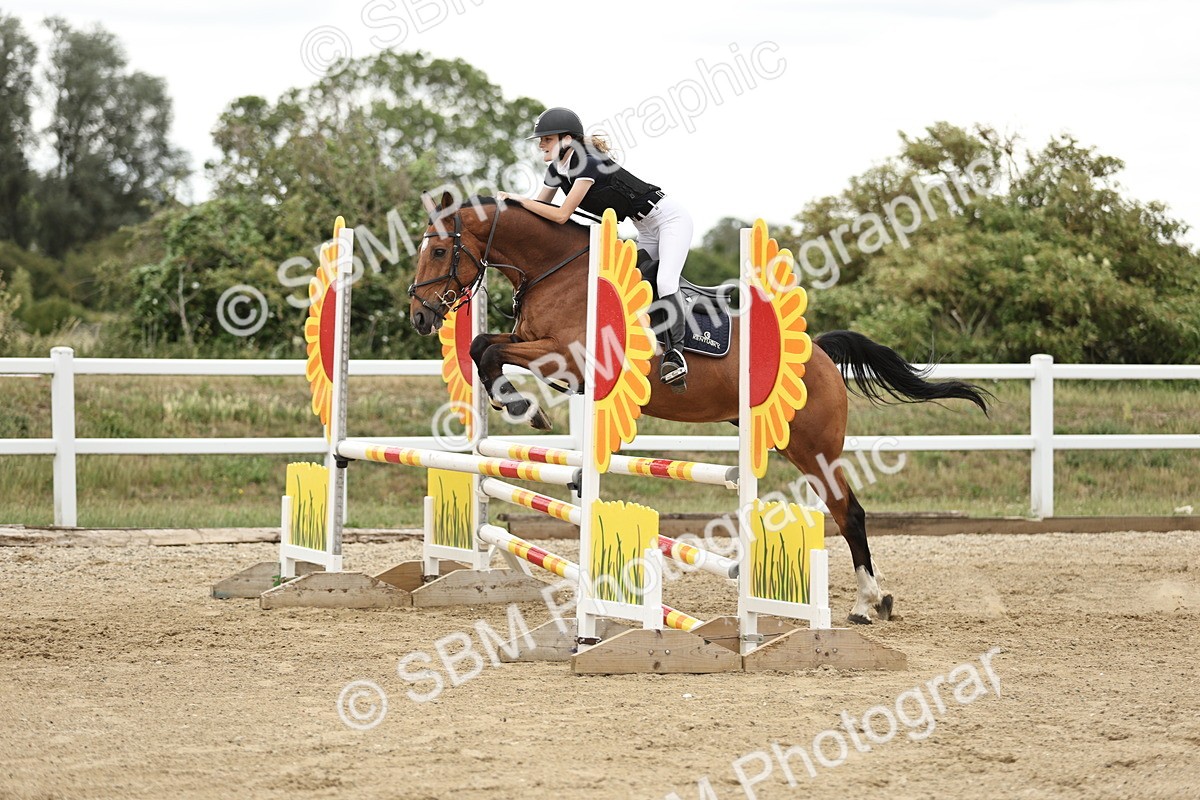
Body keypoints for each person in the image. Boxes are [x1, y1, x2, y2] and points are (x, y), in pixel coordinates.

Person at [498, 107, 694, 389]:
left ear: (567, 139)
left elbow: (561, 214)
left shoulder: (587, 162)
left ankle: (677, 355)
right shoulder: (556, 168)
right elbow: (538, 208)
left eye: (547, 139)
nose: (541, 144)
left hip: (669, 218)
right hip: (644, 227)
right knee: (637, 283)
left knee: (664, 280)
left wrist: (517, 199)